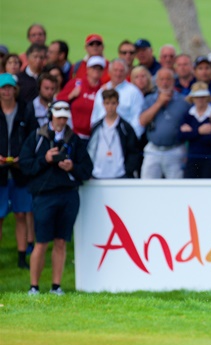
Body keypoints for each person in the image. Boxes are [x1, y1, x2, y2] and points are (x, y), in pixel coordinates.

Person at [20, 101, 93, 295]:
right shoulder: (37, 137)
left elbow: (86, 169)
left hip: (68, 195)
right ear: (51, 115)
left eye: (64, 117)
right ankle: (34, 286)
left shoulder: (74, 140)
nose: (61, 120)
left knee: (61, 241)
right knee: (41, 242)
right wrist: (46, 159)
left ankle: (56, 286)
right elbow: (25, 165)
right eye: (58, 116)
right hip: (44, 196)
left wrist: (72, 167)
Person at [0, 73, 39, 269]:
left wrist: (23, 158)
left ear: (15, 89)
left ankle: (22, 256)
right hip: (0, 171)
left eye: (9, 88)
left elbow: (33, 137)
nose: (6, 91)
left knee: (21, 214)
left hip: (19, 169)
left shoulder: (25, 109)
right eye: (3, 88)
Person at [139, 68, 190, 179]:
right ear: (156, 82)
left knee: (176, 188)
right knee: (147, 185)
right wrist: (159, 102)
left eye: (168, 79)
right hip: (153, 149)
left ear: (173, 81)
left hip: (175, 150)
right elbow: (142, 121)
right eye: (162, 79)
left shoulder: (183, 101)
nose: (165, 83)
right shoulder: (149, 99)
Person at [87, 90, 140, 179]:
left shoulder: (125, 128)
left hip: (120, 175)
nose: (110, 107)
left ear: (118, 104)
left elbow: (134, 151)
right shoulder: (96, 127)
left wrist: (127, 170)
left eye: (113, 103)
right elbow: (89, 150)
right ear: (103, 104)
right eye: (107, 103)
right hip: (97, 174)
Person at [91, 59, 145, 139]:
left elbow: (138, 120)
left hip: (124, 139)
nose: (118, 74)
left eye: (121, 71)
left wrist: (131, 140)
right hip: (101, 138)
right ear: (109, 72)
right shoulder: (102, 91)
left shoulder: (134, 92)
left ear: (126, 73)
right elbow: (95, 115)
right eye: (115, 70)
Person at [178, 82, 211, 178]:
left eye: (203, 96)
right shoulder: (188, 114)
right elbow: (181, 136)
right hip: (192, 157)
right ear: (192, 98)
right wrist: (199, 131)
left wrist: (192, 133)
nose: (200, 99)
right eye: (197, 97)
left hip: (210, 158)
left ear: (207, 97)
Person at [57, 55, 104, 142]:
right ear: (88, 69)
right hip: (72, 134)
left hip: (93, 136)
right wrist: (70, 96)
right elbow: (57, 101)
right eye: (94, 67)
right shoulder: (76, 83)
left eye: (99, 68)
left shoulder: (103, 89)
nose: (96, 70)